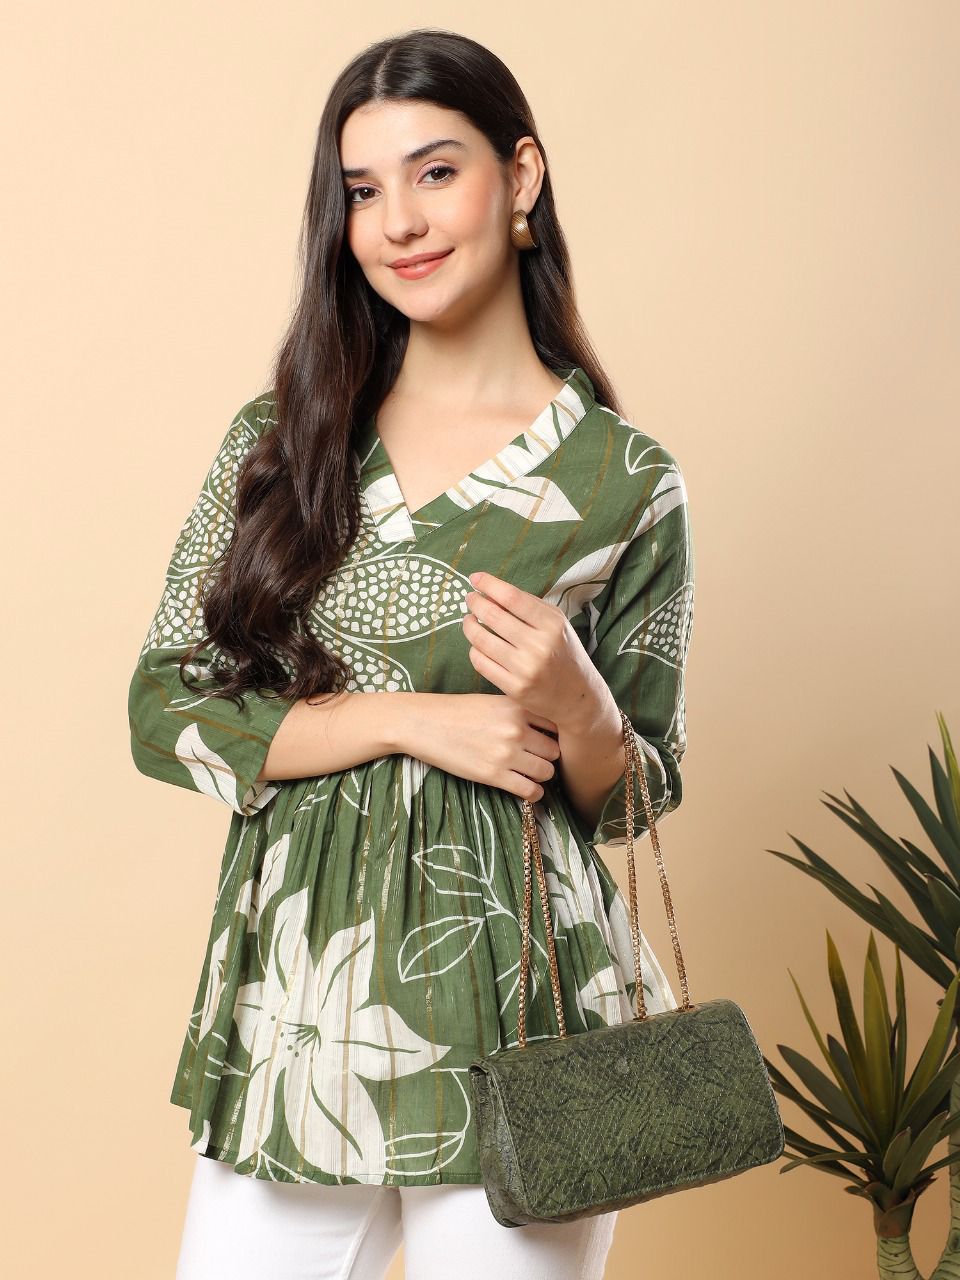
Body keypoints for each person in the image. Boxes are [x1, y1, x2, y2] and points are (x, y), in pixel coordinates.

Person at [127, 26, 695, 1280]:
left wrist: (582, 702)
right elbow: (163, 708)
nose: (400, 223)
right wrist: (403, 717)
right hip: (299, 1005)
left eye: (436, 172)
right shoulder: (282, 440)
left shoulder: (625, 480)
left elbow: (634, 796)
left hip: (534, 1020)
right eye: (364, 191)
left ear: (521, 176)